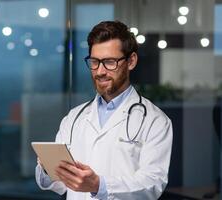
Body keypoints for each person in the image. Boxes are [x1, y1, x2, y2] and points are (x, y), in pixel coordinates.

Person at [35, 20, 173, 200]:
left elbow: (153, 183)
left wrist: (99, 185)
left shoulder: (155, 121)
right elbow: (61, 186)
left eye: (109, 62)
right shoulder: (74, 117)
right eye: (94, 62)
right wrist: (48, 168)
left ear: (131, 61)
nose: (100, 71)